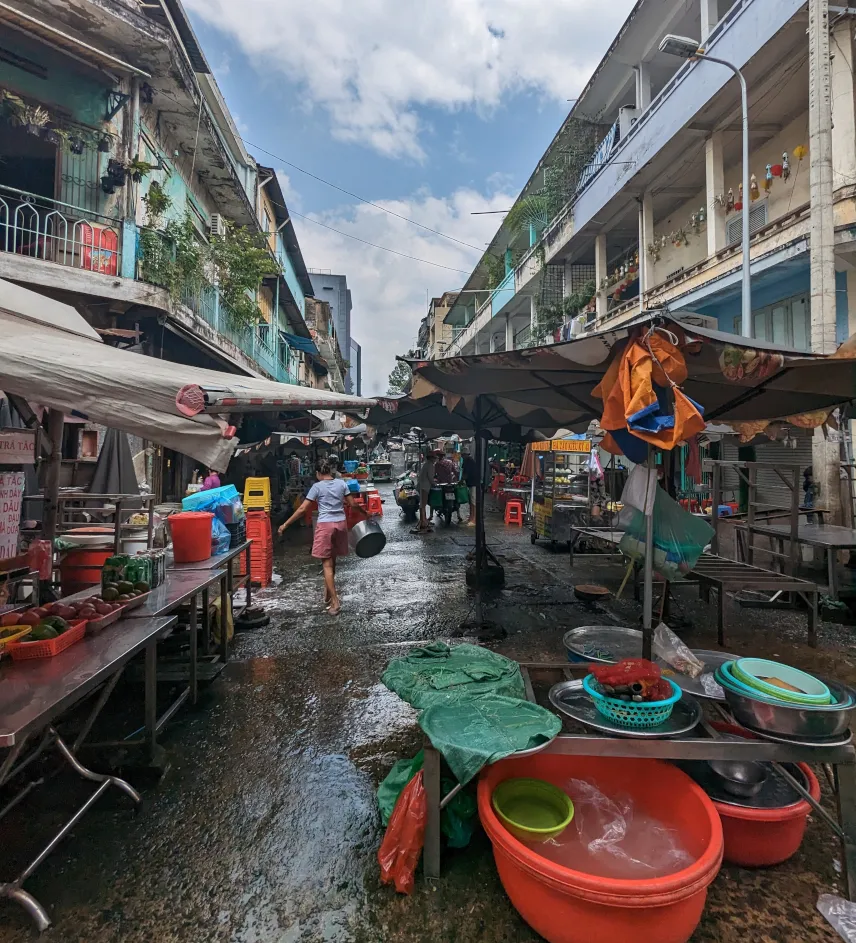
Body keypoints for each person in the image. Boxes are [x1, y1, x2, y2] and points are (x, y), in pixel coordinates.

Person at [278, 460, 354, 615]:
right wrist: (366, 514)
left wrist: (285, 524)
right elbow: (352, 504)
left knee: (326, 564)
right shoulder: (341, 484)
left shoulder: (317, 487)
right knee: (333, 561)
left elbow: (302, 508)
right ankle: (328, 592)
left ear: (318, 474)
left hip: (325, 525)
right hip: (340, 524)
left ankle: (335, 601)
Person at [435, 448, 464, 523]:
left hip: (441, 484)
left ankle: (431, 515)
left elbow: (434, 474)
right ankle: (459, 515)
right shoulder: (450, 462)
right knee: (456, 499)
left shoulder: (437, 464)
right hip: (450, 483)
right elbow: (455, 472)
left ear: (438, 456)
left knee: (437, 496)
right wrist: (457, 480)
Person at [415, 449, 439, 533]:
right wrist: (434, 483)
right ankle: (423, 522)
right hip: (424, 486)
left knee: (423, 504)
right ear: (432, 458)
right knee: (423, 504)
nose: (436, 459)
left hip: (422, 485)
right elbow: (430, 477)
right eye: (435, 458)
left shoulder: (426, 464)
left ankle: (424, 520)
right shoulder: (430, 465)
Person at [461, 447, 478, 526]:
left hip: (474, 483)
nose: (462, 457)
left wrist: (461, 481)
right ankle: (471, 517)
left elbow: (465, 475)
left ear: (465, 455)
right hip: (470, 483)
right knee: (471, 501)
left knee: (473, 501)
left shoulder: (469, 461)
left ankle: (473, 519)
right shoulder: (466, 461)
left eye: (462, 455)